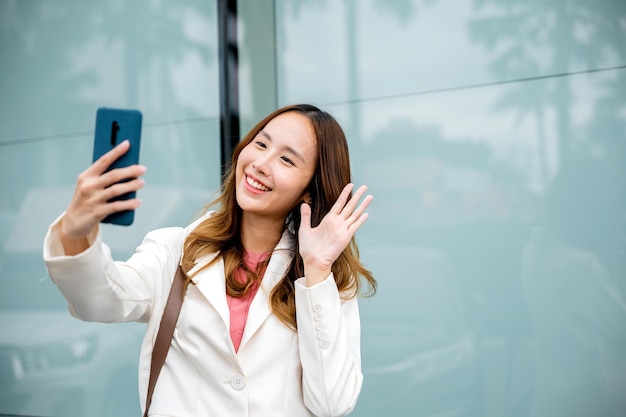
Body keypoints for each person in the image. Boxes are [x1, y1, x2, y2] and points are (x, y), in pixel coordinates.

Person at [43, 103, 376, 417]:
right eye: (260, 144)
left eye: (287, 160)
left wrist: (317, 271)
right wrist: (75, 230)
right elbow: (99, 301)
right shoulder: (175, 251)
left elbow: (332, 403)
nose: (261, 163)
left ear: (309, 190)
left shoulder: (323, 283)